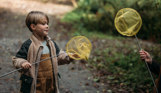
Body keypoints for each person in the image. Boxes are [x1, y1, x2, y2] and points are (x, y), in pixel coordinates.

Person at [12, 11, 74, 93]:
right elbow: (17, 59)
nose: (47, 26)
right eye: (43, 24)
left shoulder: (51, 43)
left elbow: (58, 56)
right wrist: (23, 63)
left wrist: (68, 57)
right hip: (35, 83)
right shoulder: (28, 44)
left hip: (50, 82)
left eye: (47, 23)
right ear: (33, 27)